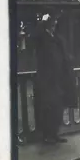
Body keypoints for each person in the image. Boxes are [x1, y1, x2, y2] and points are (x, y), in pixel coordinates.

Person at [33, 11, 76, 144]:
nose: (54, 26)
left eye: (55, 24)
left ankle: (55, 133)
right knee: (47, 107)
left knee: (58, 107)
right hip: (47, 79)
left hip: (59, 79)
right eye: (51, 24)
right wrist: (43, 20)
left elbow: (64, 56)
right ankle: (46, 135)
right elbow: (36, 37)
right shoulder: (42, 38)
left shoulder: (57, 38)